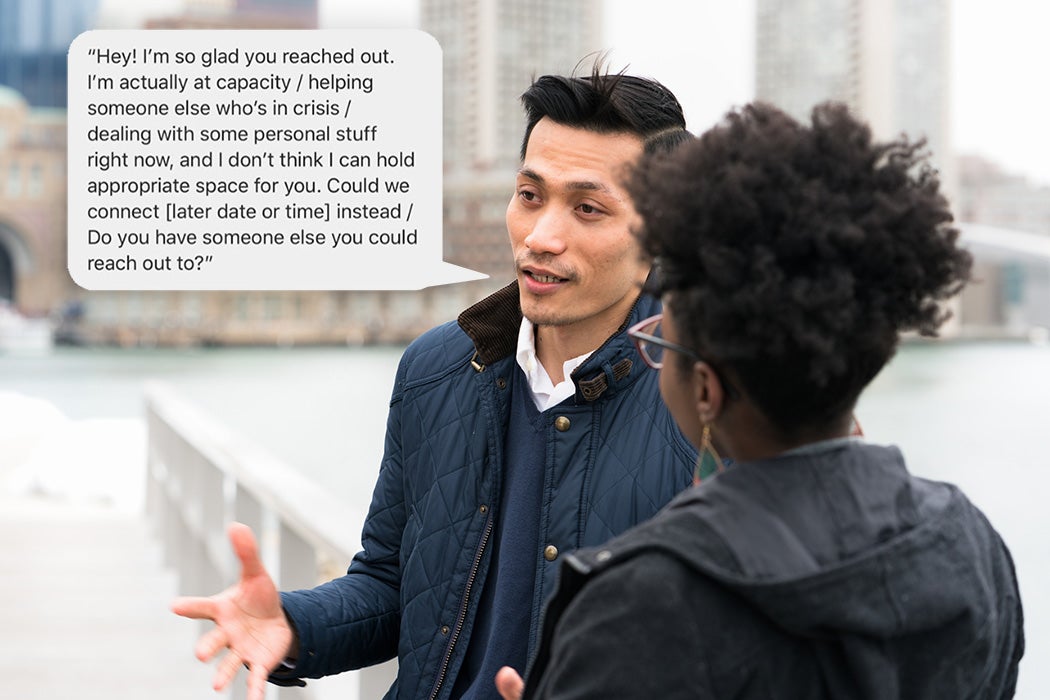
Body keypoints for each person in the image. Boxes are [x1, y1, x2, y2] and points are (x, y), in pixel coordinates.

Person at [172, 66, 699, 700]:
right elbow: (394, 584)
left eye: (587, 208)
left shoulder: (708, 400)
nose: (540, 236)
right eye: (530, 196)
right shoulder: (440, 369)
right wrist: (294, 621)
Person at [499, 101, 1025, 700]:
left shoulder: (639, 605)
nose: (653, 348)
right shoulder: (966, 541)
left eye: (660, 340)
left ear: (705, 391)